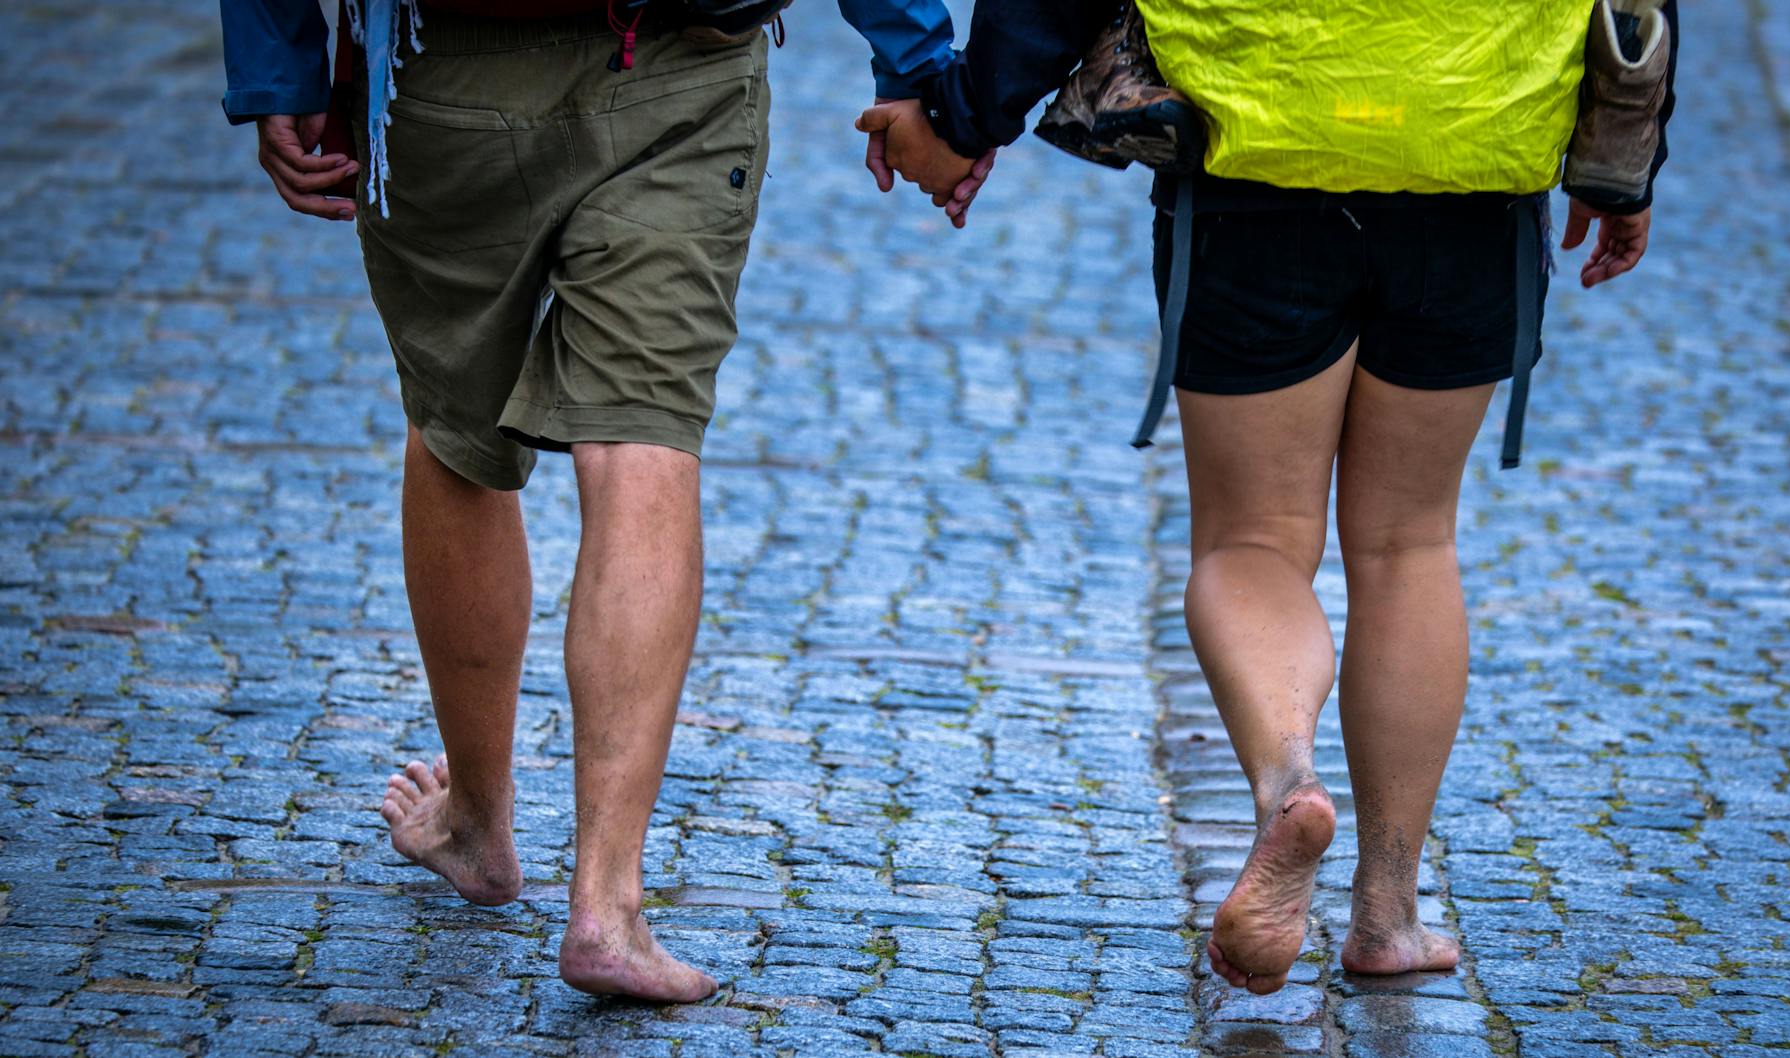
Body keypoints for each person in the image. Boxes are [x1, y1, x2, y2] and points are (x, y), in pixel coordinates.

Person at [863, 0, 1678, 995]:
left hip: (1253, 148)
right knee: (1406, 543)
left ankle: (1285, 778)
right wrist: (1621, 160)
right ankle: (1386, 911)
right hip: (1472, 155)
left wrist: (960, 115)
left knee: (1251, 539)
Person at [219, 0, 961, 1001]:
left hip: (448, 74)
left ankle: (477, 821)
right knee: (643, 436)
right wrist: (917, 63)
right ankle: (606, 904)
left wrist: (277, 67)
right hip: (681, 57)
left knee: (454, 428)